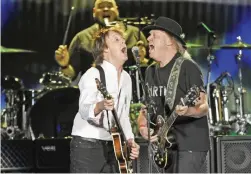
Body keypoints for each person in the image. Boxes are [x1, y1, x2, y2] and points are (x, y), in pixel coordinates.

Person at [137, 16, 210, 173]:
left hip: (189, 144)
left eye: (154, 35)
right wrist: (142, 124)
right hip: (163, 147)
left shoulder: (188, 67)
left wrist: (189, 111)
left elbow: (203, 106)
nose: (148, 38)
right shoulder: (150, 71)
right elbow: (145, 107)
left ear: (169, 42)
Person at [70, 26, 140, 173]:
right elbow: (84, 109)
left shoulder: (127, 78)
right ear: (104, 49)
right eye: (117, 40)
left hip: (114, 145)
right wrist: (100, 106)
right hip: (87, 145)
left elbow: (123, 116)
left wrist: (130, 140)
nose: (124, 43)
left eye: (123, 40)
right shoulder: (92, 74)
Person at [55, 0, 149, 81]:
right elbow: (70, 75)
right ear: (94, 12)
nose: (105, 9)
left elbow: (152, 67)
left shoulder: (135, 33)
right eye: (100, 6)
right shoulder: (82, 37)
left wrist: (142, 60)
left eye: (109, 6)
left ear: (117, 10)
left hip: (128, 94)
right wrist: (64, 65)